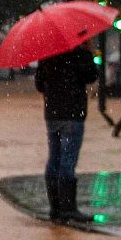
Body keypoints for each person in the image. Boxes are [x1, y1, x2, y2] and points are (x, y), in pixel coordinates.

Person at [34, 42, 100, 223]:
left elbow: (39, 84)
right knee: (67, 160)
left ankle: (55, 208)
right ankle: (68, 208)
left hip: (52, 114)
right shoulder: (80, 53)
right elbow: (92, 76)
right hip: (72, 114)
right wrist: (89, 53)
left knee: (54, 158)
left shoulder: (48, 53)